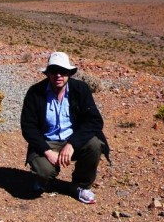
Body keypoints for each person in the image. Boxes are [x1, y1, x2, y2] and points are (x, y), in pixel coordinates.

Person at [20, 51, 110, 204]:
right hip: (48, 142)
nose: (58, 75)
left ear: (69, 73)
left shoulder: (80, 89)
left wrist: (72, 144)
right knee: (45, 171)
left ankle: (81, 186)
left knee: (95, 144)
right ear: (48, 73)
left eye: (63, 71)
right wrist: (47, 152)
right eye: (54, 71)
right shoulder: (35, 93)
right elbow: (28, 127)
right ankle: (44, 180)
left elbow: (94, 121)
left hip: (72, 139)